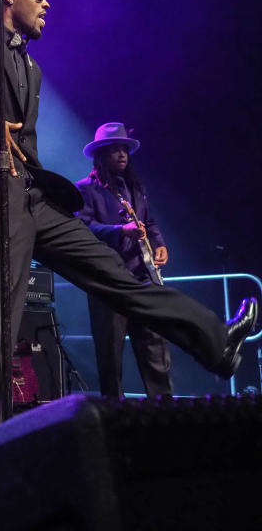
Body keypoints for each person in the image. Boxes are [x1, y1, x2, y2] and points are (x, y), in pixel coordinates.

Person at [0, 0, 257, 432]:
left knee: (118, 276)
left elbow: (23, 143)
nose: (48, 3)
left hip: (33, 199)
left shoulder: (30, 65)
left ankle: (217, 342)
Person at [77, 122, 172, 398]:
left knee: (154, 345)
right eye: (115, 150)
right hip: (108, 281)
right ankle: (112, 413)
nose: (122, 155)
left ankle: (164, 411)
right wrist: (120, 231)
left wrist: (160, 244)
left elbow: (149, 221)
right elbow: (84, 228)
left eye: (125, 150)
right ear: (101, 154)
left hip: (142, 277)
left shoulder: (134, 187)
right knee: (110, 353)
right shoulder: (85, 189)